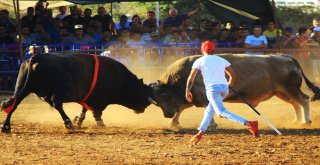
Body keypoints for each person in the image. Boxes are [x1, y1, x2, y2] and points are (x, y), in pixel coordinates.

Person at [185, 40, 259, 144]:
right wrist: (229, 83)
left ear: (202, 50)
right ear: (213, 50)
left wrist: (187, 90)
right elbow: (233, 76)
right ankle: (200, 133)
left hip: (212, 89)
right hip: (224, 89)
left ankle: (248, 124)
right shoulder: (221, 60)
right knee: (210, 110)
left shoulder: (199, 61)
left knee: (221, 112)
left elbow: (191, 78)